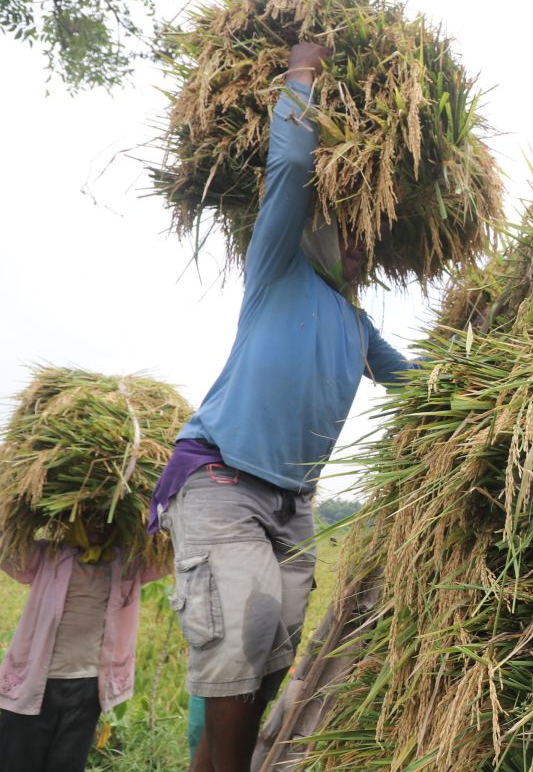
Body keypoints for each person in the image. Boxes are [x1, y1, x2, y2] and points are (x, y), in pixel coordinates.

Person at [149, 41, 417, 772]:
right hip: (222, 481)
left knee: (268, 664)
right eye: (351, 229)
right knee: (245, 631)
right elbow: (293, 169)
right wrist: (302, 77)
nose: (362, 246)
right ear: (319, 230)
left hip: (294, 509)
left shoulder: (359, 328)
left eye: (372, 240)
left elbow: (423, 389)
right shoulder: (278, 266)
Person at [0, 514, 166, 772]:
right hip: (33, 685)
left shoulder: (127, 562)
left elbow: (168, 555)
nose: (99, 524)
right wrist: (26, 508)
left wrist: (148, 518)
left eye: (108, 518)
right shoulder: (48, 556)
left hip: (88, 687)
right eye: (89, 516)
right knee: (16, 761)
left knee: (67, 765)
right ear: (70, 518)